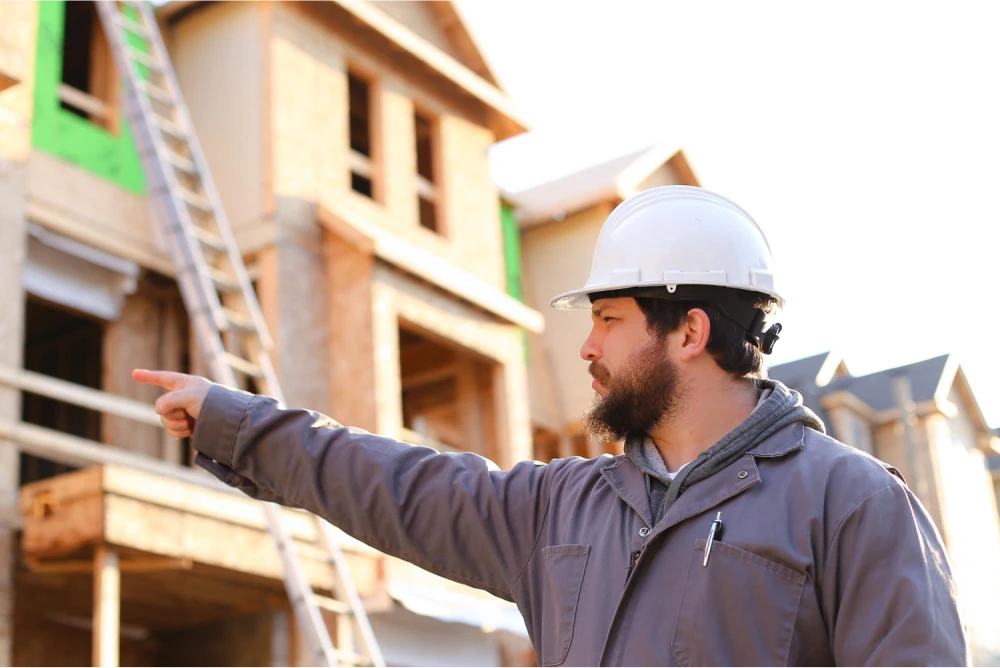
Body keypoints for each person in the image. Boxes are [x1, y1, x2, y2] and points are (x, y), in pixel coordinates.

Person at [135, 185, 969, 667]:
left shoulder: (851, 504)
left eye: (608, 318)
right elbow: (397, 484)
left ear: (688, 332)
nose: (586, 346)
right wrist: (233, 422)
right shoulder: (561, 510)